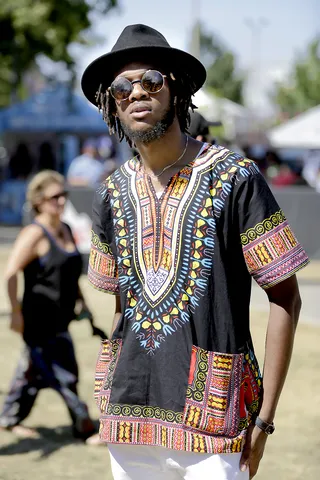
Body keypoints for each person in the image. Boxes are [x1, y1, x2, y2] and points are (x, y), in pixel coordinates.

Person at [81, 24, 309, 479]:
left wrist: (264, 420)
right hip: (128, 419)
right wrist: (108, 391)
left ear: (176, 87)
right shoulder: (110, 192)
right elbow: (122, 306)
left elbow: (286, 297)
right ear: (111, 102)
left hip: (215, 422)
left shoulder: (236, 178)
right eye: (122, 87)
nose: (136, 93)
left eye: (151, 80)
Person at [0, 170, 97, 442]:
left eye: (64, 194)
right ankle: (84, 428)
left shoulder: (64, 229)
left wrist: (83, 303)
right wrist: (15, 314)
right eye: (55, 197)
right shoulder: (34, 234)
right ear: (39, 201)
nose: (62, 201)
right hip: (39, 320)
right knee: (65, 373)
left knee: (31, 371)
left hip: (61, 317)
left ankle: (8, 418)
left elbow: (68, 274)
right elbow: (10, 273)